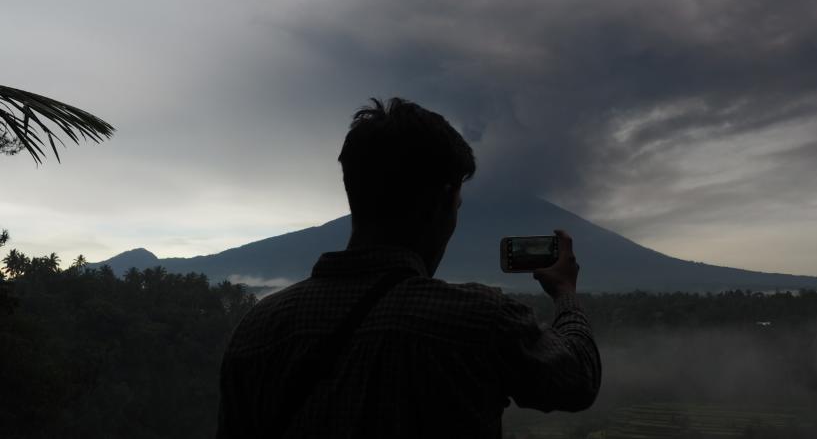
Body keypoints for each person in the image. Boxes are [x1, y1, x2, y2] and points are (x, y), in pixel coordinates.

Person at [216, 97, 601, 438]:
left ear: (355, 193)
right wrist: (565, 294)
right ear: (444, 201)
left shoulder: (258, 327)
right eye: (459, 205)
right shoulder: (479, 321)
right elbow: (578, 380)